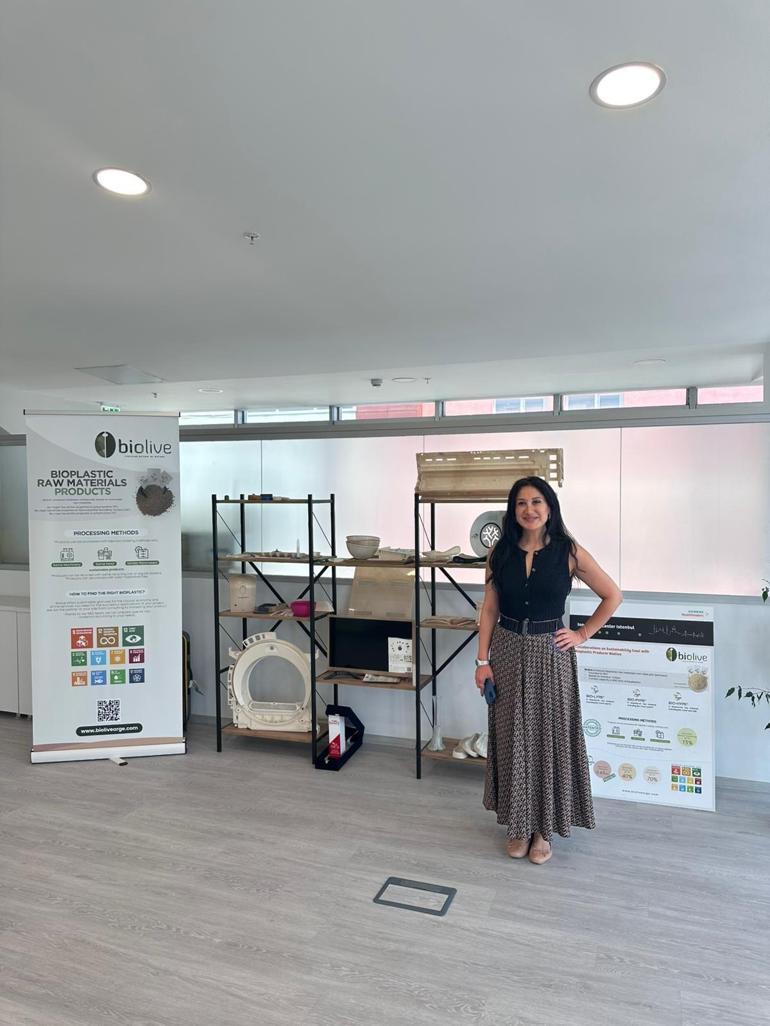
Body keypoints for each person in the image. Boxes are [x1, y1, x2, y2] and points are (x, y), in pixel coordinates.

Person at [475, 476, 622, 864]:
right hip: (506, 650)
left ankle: (543, 829)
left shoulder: (568, 552)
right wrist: (482, 661)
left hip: (550, 653)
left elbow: (613, 595)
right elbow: (489, 609)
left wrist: (582, 633)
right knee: (512, 737)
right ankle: (519, 824)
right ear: (513, 511)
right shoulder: (499, 553)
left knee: (546, 737)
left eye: (537, 501)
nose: (529, 509)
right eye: (521, 503)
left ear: (550, 507)